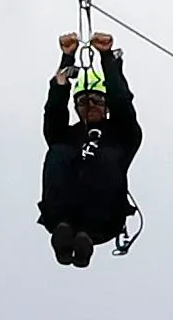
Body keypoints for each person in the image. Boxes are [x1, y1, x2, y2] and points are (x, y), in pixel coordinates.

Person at [42, 30, 143, 267]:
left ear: (106, 105)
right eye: (84, 102)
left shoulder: (122, 134)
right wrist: (67, 60)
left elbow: (122, 102)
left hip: (104, 216)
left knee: (106, 157)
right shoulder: (65, 136)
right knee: (59, 152)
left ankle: (85, 237)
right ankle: (63, 229)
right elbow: (54, 111)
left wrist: (107, 57)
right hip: (61, 208)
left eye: (97, 100)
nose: (91, 106)